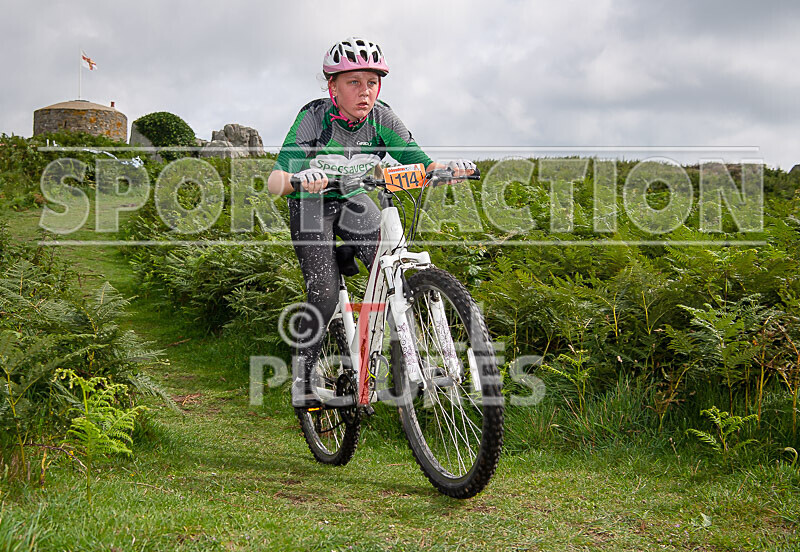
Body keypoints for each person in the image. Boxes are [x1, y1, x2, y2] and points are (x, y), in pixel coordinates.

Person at [267, 36, 476, 408]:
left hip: (354, 199)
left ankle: (403, 361)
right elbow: (275, 180)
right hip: (311, 205)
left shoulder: (383, 118)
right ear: (332, 87)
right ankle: (304, 379)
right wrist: (300, 177)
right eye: (353, 82)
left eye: (372, 82)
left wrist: (448, 170)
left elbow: (420, 160)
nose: (365, 91)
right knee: (324, 293)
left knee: (393, 268)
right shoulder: (313, 118)